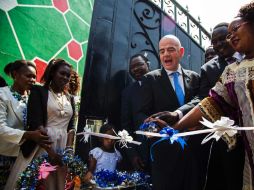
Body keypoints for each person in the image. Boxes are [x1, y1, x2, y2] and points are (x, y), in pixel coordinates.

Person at [171, 2, 254, 189]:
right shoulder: (232, 72)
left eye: (234, 30)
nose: (231, 37)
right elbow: (211, 102)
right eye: (229, 34)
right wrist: (176, 126)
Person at [136, 34, 200, 190]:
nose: (166, 54)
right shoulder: (150, 79)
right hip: (164, 151)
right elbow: (141, 113)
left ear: (181, 51)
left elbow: (200, 102)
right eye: (162, 51)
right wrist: (155, 128)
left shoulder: (195, 78)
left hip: (194, 149)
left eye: (171, 49)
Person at [6, 58, 76, 190]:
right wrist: (51, 153)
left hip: (62, 148)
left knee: (57, 184)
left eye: (68, 75)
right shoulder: (39, 92)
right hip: (41, 146)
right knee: (37, 183)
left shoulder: (70, 98)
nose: (65, 77)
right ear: (52, 73)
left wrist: (68, 150)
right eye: (62, 73)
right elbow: (36, 123)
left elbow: (71, 126)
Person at [0, 60, 50, 188]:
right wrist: (28, 135)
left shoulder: (34, 98)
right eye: (28, 76)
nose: (32, 80)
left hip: (26, 155)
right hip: (4, 155)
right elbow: (1, 128)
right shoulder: (3, 95)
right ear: (15, 74)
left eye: (34, 76)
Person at [121, 53, 150, 171]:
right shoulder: (127, 93)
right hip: (142, 152)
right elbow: (125, 126)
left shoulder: (161, 83)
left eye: (139, 65)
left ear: (148, 65)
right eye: (132, 67)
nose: (136, 69)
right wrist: (132, 154)